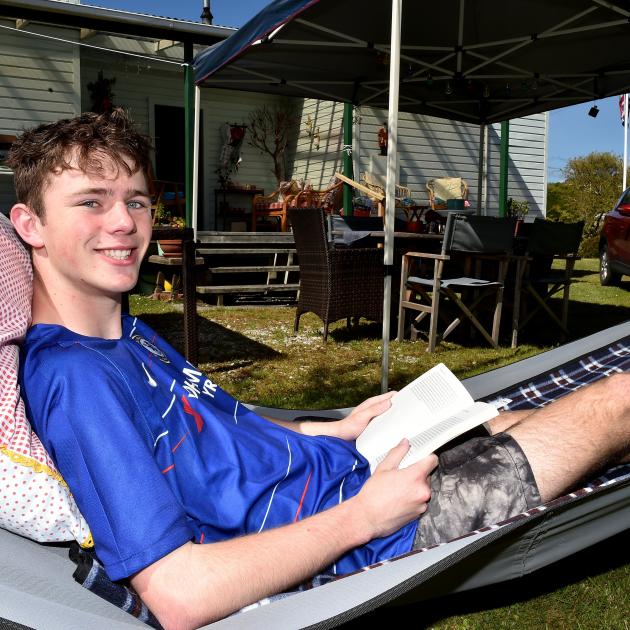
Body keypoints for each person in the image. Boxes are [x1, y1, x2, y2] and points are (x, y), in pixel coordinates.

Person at [9, 110, 630, 630]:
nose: (123, 224)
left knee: (513, 413)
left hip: (358, 462)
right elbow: (178, 594)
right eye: (90, 202)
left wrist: (331, 430)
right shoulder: (77, 379)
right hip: (374, 525)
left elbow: (217, 430)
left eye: (136, 201)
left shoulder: (125, 331)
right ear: (28, 224)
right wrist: (366, 516)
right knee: (617, 400)